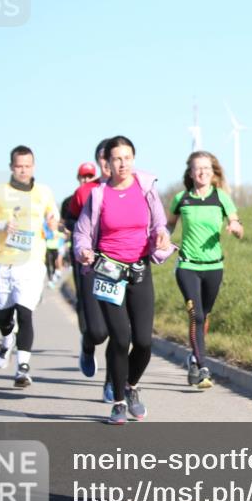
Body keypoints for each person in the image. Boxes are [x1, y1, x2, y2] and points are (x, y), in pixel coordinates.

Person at [74, 136, 174, 425]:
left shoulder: (145, 188)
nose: (123, 164)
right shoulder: (98, 195)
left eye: (127, 157)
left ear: (133, 158)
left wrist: (161, 234)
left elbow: (158, 223)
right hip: (108, 271)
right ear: (107, 163)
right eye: (117, 159)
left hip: (139, 269)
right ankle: (118, 401)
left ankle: (131, 386)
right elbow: (81, 232)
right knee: (121, 338)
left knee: (143, 341)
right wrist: (83, 251)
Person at [0, 145, 59, 388]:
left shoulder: (44, 192)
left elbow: (52, 215)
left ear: (33, 166)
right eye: (19, 166)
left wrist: (53, 222)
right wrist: (1, 225)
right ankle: (5, 341)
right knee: (4, 317)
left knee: (25, 313)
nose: (23, 170)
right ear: (12, 167)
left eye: (27, 166)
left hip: (33, 262)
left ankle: (23, 367)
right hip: (5, 262)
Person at [167, 151, 243, 389]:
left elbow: (236, 222)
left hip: (214, 267)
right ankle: (203, 368)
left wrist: (234, 226)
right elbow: (168, 225)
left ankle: (193, 356)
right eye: (198, 169)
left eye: (207, 169)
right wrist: (162, 240)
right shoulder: (181, 198)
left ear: (213, 173)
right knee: (196, 315)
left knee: (204, 315)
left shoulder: (221, 197)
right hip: (187, 265)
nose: (202, 172)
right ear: (190, 173)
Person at [62, 152, 112, 396]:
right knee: (98, 331)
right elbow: (70, 220)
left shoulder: (134, 189)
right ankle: (88, 343)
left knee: (120, 330)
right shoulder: (83, 194)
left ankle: (113, 383)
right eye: (104, 159)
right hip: (89, 264)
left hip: (119, 266)